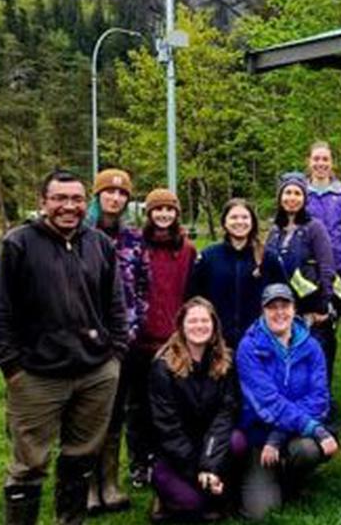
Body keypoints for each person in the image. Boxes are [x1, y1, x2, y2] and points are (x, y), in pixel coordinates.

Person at [0, 170, 129, 525]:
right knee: (28, 466)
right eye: (60, 198)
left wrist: (116, 355)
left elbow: (115, 306)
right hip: (36, 377)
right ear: (43, 202)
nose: (69, 206)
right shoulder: (18, 245)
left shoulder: (99, 245)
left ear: (86, 203)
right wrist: (12, 369)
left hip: (95, 372)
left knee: (81, 458)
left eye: (76, 199)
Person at [236, 284, 338, 520]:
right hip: (259, 435)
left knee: (308, 449)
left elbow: (319, 399)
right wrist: (314, 428)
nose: (279, 313)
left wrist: (278, 437)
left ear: (294, 309)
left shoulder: (312, 346)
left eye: (285, 306)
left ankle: (292, 478)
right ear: (263, 310)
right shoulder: (249, 347)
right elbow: (268, 404)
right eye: (272, 307)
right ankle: (261, 475)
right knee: (260, 513)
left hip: (290, 435)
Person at [85, 168, 149, 514]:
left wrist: (132, 330)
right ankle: (87, 484)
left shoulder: (134, 240)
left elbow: (142, 289)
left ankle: (109, 482)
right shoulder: (80, 236)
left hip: (123, 343)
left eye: (122, 193)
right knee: (87, 415)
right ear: (97, 196)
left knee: (115, 414)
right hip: (84, 343)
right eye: (108, 192)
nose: (115, 198)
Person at [126, 188, 197, 487]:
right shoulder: (137, 247)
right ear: (149, 213)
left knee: (171, 403)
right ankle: (139, 461)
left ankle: (166, 456)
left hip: (175, 339)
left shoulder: (188, 250)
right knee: (139, 403)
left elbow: (194, 292)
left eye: (169, 210)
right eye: (158, 210)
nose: (164, 215)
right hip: (141, 339)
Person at [149, 297, 243, 520]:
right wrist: (197, 472)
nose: (199, 326)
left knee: (237, 441)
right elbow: (167, 428)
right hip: (174, 452)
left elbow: (226, 414)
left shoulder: (225, 361)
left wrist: (210, 466)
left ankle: (216, 488)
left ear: (214, 325)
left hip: (210, 444)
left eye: (204, 321)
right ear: (181, 325)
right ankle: (166, 497)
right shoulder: (163, 366)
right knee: (194, 505)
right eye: (192, 321)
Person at [264, 172, 336, 385]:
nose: (292, 198)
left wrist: (324, 303)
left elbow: (327, 265)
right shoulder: (275, 230)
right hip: (281, 305)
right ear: (280, 197)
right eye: (287, 193)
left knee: (315, 355)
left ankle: (320, 402)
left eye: (297, 193)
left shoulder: (315, 227)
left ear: (304, 198)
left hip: (311, 305)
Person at [189, 198, 283, 349]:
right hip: (216, 343)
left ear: (252, 222)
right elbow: (194, 299)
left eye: (245, 217)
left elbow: (283, 298)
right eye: (233, 217)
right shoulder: (209, 257)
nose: (239, 221)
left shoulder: (268, 258)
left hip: (259, 343)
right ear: (224, 222)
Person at [306, 140, 341, 324]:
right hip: (310, 264)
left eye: (325, 159)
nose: (320, 163)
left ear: (332, 163)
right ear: (309, 162)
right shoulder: (300, 194)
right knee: (315, 313)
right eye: (316, 159)